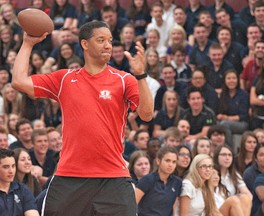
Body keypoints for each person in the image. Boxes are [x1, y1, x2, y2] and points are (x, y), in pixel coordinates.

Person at [12, 20, 153, 215]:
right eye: (101, 40)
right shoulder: (65, 79)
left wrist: (141, 76)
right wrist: (27, 44)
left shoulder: (124, 79)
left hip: (112, 178)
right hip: (69, 176)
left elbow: (146, 114)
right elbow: (19, 81)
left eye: (110, 41)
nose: (108, 46)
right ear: (85, 44)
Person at [135, 146, 182, 216]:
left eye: (174, 162)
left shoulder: (177, 182)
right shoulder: (147, 180)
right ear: (158, 161)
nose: (170, 165)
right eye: (167, 161)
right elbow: (132, 204)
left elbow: (173, 208)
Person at [0, 148, 39, 216]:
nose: (11, 171)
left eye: (13, 166)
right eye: (6, 167)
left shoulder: (23, 190)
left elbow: (32, 213)